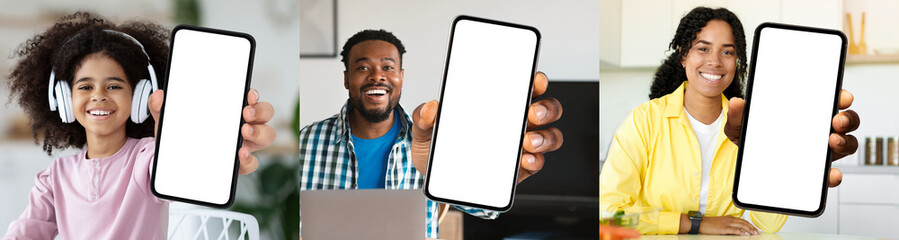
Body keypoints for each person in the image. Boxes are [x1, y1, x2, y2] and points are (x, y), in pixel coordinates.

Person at [3, 12, 275, 239]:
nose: (99, 95)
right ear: (62, 99)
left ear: (139, 97)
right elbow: (26, 232)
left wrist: (210, 148)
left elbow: (182, 166)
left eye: (114, 85)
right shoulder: (55, 177)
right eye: (85, 86)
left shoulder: (146, 158)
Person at [600, 7, 859, 235]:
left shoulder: (751, 126)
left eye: (727, 52)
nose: (714, 61)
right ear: (683, 55)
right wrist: (696, 224)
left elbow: (767, 225)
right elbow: (608, 212)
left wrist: (787, 168)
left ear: (737, 62)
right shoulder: (644, 121)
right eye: (703, 48)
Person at [297, 29, 563, 239]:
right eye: (363, 68)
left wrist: (496, 179)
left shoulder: (435, 144)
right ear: (346, 78)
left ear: (401, 76)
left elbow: (486, 209)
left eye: (388, 67)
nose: (377, 77)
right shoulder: (306, 142)